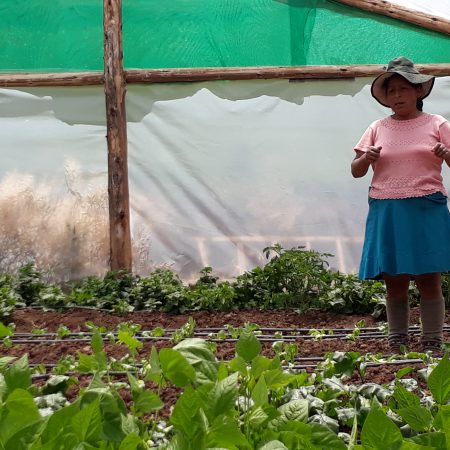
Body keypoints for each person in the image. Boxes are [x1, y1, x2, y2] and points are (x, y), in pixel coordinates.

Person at [351, 56, 450, 354]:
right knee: (394, 279)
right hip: (387, 209)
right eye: (391, 90)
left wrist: (445, 153)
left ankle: (432, 340)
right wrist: (366, 158)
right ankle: (397, 341)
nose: (397, 96)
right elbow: (356, 170)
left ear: (418, 91)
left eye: (403, 89)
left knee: (428, 276)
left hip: (426, 207)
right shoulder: (376, 127)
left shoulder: (437, 123)